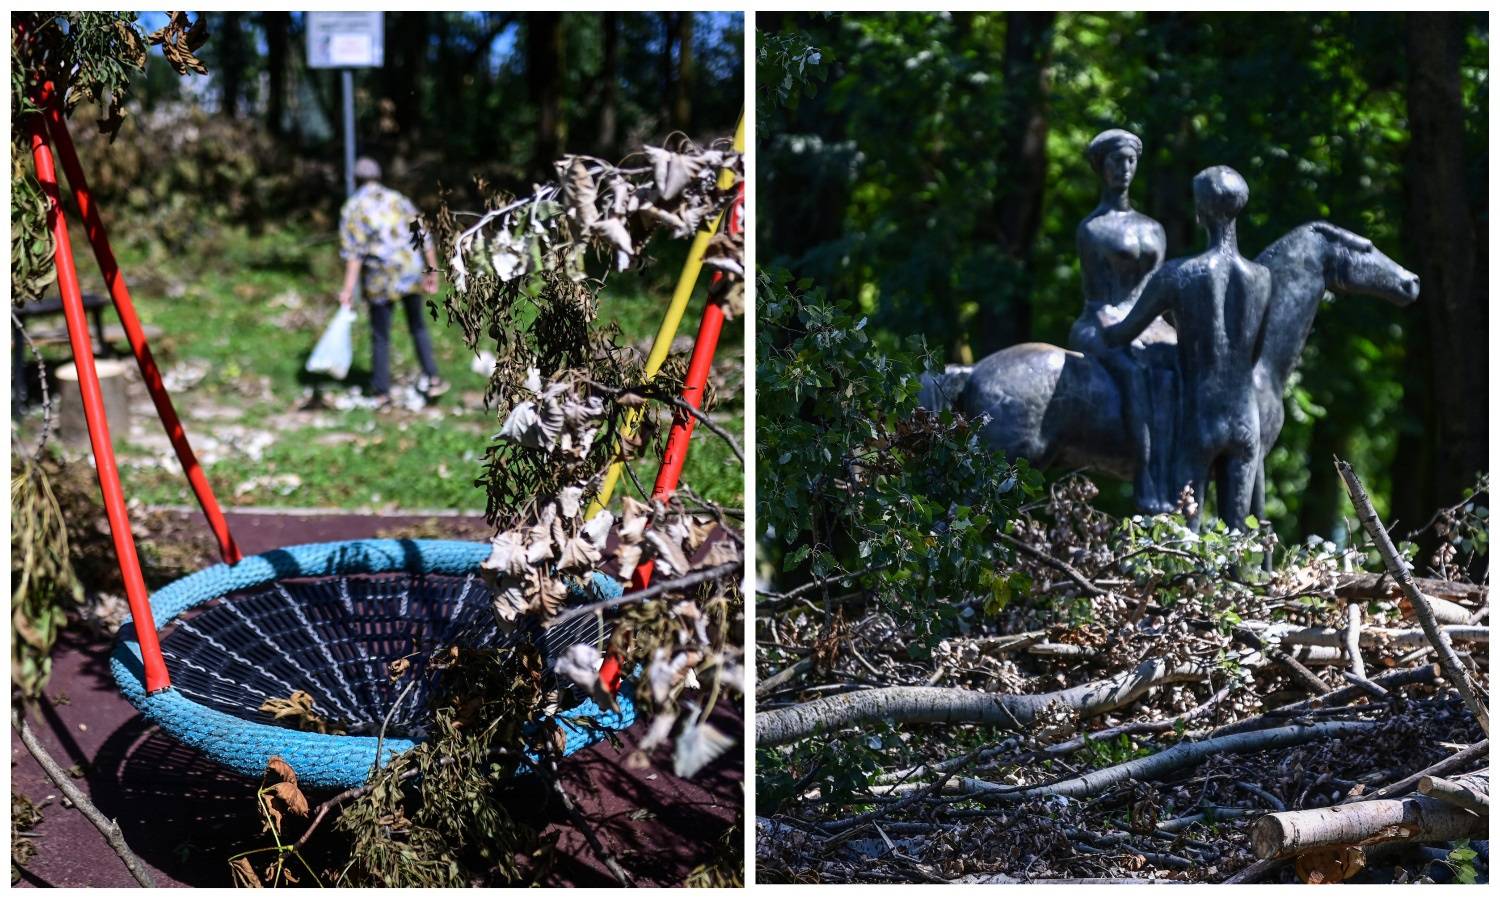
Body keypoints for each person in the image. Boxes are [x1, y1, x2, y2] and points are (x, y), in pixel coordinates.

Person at [1104, 166, 1272, 532]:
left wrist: (1104, 324)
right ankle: (1241, 588)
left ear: (1200, 212)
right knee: (1237, 534)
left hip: (1200, 416)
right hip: (1246, 417)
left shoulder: (1179, 274)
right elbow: (1255, 351)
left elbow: (1123, 332)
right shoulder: (1262, 278)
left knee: (1186, 533)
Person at [1067, 128, 1174, 512]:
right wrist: (1122, 331)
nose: (1124, 168)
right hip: (1102, 323)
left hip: (1149, 323)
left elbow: (1155, 294)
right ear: (1101, 167)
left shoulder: (1153, 228)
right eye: (1116, 161)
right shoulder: (1092, 229)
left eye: (1130, 160)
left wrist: (1163, 329)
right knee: (1133, 372)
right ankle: (1145, 478)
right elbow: (1097, 297)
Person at [337, 156, 447, 408]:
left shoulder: (353, 208)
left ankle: (382, 393)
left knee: (380, 335)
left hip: (380, 278)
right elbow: (423, 235)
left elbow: (353, 255)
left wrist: (347, 290)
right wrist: (431, 270)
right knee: (417, 325)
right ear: (379, 176)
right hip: (409, 270)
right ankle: (433, 378)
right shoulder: (398, 200)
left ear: (355, 179)